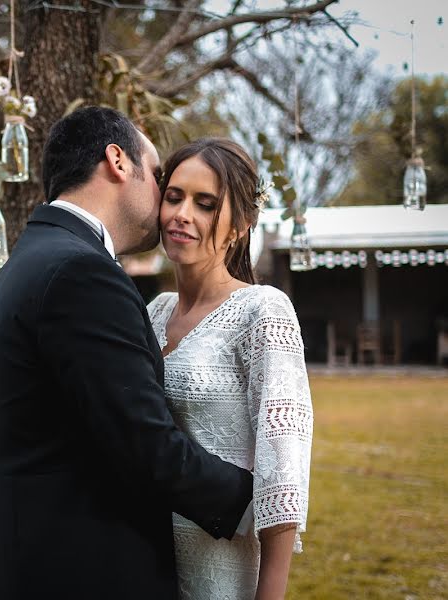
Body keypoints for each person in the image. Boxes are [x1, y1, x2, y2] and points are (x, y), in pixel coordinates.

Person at [0, 107, 254, 600]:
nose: (166, 199)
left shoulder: (31, 258)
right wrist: (261, 498)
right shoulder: (81, 272)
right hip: (75, 569)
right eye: (160, 175)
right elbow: (146, 446)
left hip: (16, 557)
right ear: (118, 162)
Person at [147, 138, 313, 599]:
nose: (182, 214)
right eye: (175, 197)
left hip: (222, 567)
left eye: (206, 204)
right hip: (144, 559)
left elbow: (283, 469)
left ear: (239, 225)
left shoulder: (262, 312)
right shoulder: (152, 312)